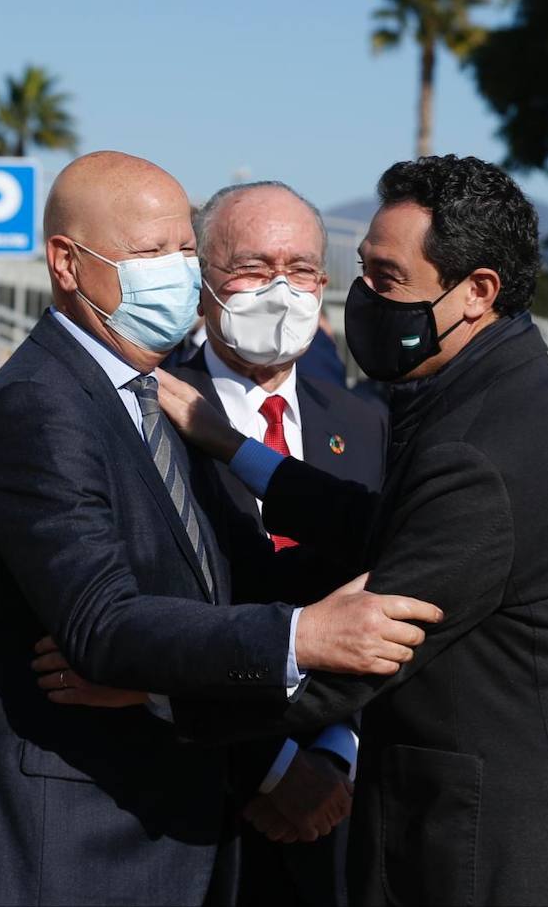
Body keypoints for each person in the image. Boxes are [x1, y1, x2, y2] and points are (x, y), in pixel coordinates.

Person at [155, 155, 548, 905]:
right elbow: (391, 526)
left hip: (504, 856)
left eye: (387, 279)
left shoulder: (484, 442)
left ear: (477, 292)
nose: (361, 296)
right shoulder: (498, 393)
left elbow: (365, 652)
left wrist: (149, 686)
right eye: (361, 270)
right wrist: (239, 450)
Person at [0, 150, 440, 906]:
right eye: (150, 254)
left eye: (180, 250)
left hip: (184, 831)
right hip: (80, 840)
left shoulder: (155, 403)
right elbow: (105, 625)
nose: (172, 271)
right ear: (68, 263)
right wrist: (301, 638)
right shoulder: (43, 405)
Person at [176, 181, 389, 907]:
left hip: (337, 808)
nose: (279, 288)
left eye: (300, 269)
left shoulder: (363, 424)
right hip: (193, 803)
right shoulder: (153, 409)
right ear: (202, 282)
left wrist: (336, 752)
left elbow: (394, 593)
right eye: (252, 266)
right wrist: (272, 768)